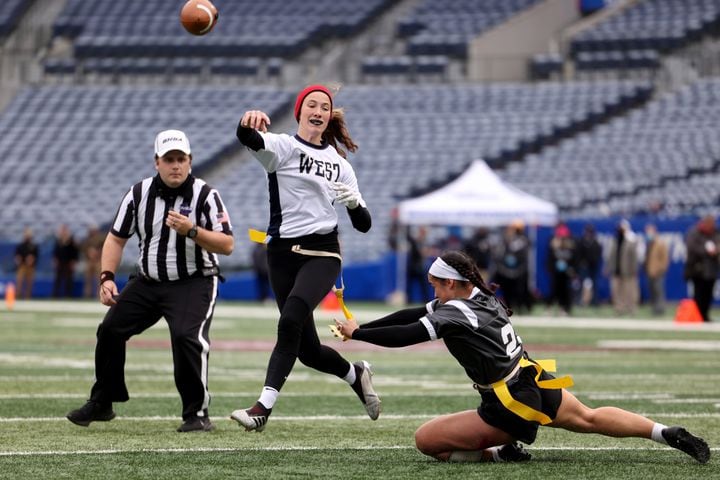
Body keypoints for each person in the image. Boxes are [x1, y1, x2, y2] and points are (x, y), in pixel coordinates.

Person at [334, 250, 710, 464]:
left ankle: (500, 454)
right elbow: (413, 314)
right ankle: (664, 432)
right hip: (532, 374)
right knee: (590, 417)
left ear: (450, 283)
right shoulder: (480, 296)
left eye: (435, 283)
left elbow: (409, 333)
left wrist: (361, 334)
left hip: (508, 401)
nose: (432, 288)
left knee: (427, 441)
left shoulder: (455, 311)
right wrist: (363, 326)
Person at [231, 84, 380, 432]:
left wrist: (355, 204)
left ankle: (262, 408)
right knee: (308, 351)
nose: (318, 110)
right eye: (311, 104)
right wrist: (246, 120)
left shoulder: (339, 165)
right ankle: (355, 374)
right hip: (281, 253)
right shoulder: (282, 146)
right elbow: (247, 137)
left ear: (329, 116)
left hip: (322, 252)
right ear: (299, 112)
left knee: (290, 320)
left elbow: (364, 224)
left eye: (324, 107)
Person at [66, 129, 234, 432]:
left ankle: (196, 413)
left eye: (181, 159)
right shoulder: (138, 194)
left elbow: (227, 245)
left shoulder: (206, 195)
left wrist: (192, 231)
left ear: (190, 161)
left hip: (194, 281)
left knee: (186, 336)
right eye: (169, 159)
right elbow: (115, 239)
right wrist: (106, 278)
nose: (175, 166)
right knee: (110, 329)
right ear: (156, 162)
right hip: (149, 280)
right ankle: (103, 402)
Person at [684, 215, 720, 322]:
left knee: (708, 295)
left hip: (711, 270)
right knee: (698, 294)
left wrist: (717, 250)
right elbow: (691, 247)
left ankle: (705, 315)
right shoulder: (694, 233)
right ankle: (697, 315)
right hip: (698, 270)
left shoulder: (715, 233)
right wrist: (706, 251)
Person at [493, 220, 531, 313]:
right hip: (506, 271)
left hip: (518, 271)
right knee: (507, 290)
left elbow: (523, 255)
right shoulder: (503, 241)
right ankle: (509, 306)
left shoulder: (523, 241)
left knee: (519, 290)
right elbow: (498, 256)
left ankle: (520, 307)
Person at [605, 219, 639, 315]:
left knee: (630, 291)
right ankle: (619, 308)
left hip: (628, 270)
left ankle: (631, 308)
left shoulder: (631, 240)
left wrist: (634, 269)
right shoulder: (615, 240)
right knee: (616, 291)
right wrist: (608, 267)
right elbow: (611, 255)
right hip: (616, 270)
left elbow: (634, 257)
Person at [546, 223, 576, 315]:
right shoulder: (553, 245)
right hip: (556, 273)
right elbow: (549, 259)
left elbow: (574, 260)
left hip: (565, 273)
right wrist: (552, 268)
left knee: (565, 292)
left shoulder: (570, 246)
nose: (562, 240)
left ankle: (563, 309)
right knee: (554, 290)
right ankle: (549, 308)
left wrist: (571, 269)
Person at [644, 223, 669, 316]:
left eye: (650, 231)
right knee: (652, 291)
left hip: (658, 272)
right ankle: (654, 308)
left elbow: (665, 258)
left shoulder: (660, 243)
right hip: (649, 271)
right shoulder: (649, 244)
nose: (648, 234)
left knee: (659, 291)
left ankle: (660, 309)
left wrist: (661, 269)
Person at [574, 223, 602, 307]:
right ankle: (580, 300)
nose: (589, 234)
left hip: (593, 266)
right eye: (587, 231)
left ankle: (594, 301)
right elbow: (578, 254)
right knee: (581, 284)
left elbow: (598, 254)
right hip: (584, 266)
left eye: (590, 232)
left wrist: (593, 262)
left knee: (594, 284)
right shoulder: (581, 241)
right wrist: (581, 263)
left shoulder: (595, 242)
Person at [52, 224, 79, 298]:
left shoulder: (71, 241)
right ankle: (55, 294)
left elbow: (75, 251)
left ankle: (68, 294)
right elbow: (55, 251)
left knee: (69, 279)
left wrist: (74, 261)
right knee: (58, 279)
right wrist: (55, 259)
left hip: (68, 262)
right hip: (60, 262)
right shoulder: (59, 240)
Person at [81, 225, 106, 298]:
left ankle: (99, 295)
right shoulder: (87, 240)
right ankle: (87, 294)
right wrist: (88, 252)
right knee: (88, 279)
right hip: (89, 261)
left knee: (99, 279)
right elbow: (83, 249)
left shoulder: (101, 238)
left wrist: (98, 252)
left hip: (98, 261)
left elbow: (105, 247)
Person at [14, 227, 39, 299]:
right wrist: (18, 259)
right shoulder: (20, 245)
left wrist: (32, 259)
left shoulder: (34, 246)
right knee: (19, 281)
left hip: (31, 266)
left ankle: (28, 296)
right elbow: (17, 255)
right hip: (22, 265)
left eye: (29, 234)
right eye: (26, 234)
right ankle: (18, 295)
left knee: (29, 282)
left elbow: (36, 256)